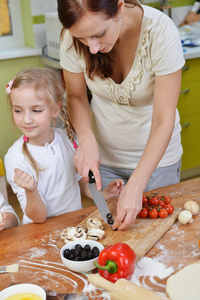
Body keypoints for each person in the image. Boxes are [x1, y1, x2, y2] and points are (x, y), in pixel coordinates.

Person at [57, 0, 185, 230]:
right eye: (82, 40)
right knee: (108, 239)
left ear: (119, 7)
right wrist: (85, 138)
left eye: (99, 34)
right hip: (103, 162)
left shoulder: (161, 32)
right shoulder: (72, 36)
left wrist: (137, 183)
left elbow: (164, 119)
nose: (92, 48)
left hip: (157, 165)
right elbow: (76, 96)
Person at [4, 68, 124, 225]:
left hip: (74, 225)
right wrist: (31, 190)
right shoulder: (15, 157)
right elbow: (39, 217)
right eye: (18, 110)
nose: (26, 119)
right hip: (39, 233)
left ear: (55, 109)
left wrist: (103, 195)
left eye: (36, 110)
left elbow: (81, 184)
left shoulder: (69, 139)